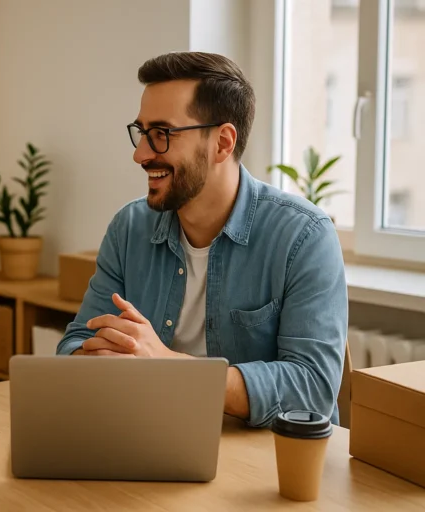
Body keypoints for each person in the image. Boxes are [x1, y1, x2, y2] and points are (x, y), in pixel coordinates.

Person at [56, 52, 348, 427]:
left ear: (223, 143)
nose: (140, 154)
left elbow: (313, 388)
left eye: (161, 135)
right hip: (146, 436)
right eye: (142, 133)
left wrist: (164, 365)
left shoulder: (304, 235)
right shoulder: (129, 227)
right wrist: (95, 360)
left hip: (263, 465)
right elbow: (76, 342)